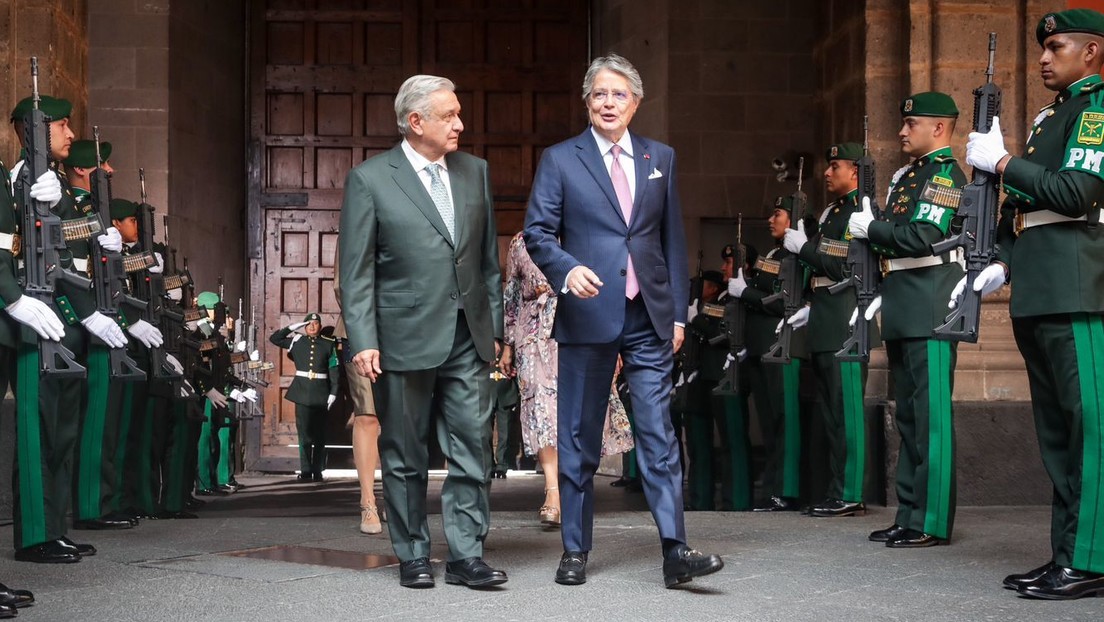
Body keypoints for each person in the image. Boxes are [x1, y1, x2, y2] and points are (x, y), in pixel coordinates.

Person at [524, 53, 723, 588]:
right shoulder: (561, 159)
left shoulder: (662, 157)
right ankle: (575, 549)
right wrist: (568, 273)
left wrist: (678, 312)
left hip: (650, 315)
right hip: (588, 312)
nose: (608, 103)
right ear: (586, 102)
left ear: (635, 103)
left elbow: (669, 240)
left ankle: (676, 550)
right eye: (599, 94)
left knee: (658, 433)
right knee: (580, 436)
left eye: (619, 95)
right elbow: (539, 233)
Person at [339, 74, 506, 589]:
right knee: (406, 452)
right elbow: (356, 271)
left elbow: (487, 262)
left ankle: (464, 555)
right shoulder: (370, 179)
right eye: (449, 115)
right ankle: (412, 553)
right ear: (416, 122)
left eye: (458, 113)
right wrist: (364, 339)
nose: (460, 123)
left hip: (469, 335)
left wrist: (495, 329)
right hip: (402, 336)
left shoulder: (475, 172)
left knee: (472, 446)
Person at [963, 8, 1104, 599]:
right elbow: (1023, 201)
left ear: (1092, 51)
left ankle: (1092, 558)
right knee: (1056, 433)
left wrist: (1000, 160)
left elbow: (1075, 192)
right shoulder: (1051, 116)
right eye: (1042, 47)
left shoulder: (1096, 108)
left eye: (1058, 46)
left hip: (1078, 283)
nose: (1044, 57)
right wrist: (1002, 257)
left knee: (1088, 427)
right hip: (1041, 284)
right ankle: (1066, 553)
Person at [8, 94, 124, 563]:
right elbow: (21, 250)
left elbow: (72, 254)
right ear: (30, 130)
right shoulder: (20, 180)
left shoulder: (56, 186)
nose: (71, 135)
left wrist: (99, 231)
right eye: (61, 126)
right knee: (38, 433)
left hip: (71, 322)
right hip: (40, 317)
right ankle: (35, 533)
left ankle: (53, 527)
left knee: (62, 434)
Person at [847, 91, 966, 548]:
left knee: (931, 417)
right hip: (904, 301)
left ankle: (931, 519)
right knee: (911, 418)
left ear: (938, 129)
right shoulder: (910, 177)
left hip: (931, 303)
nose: (901, 131)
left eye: (910, 124)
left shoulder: (943, 175)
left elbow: (923, 235)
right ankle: (910, 513)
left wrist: (871, 230)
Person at [500, 230, 634, 526]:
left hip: (580, 327)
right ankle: (552, 492)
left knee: (575, 410)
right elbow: (511, 294)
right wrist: (508, 344)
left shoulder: (583, 231)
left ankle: (572, 486)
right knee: (540, 410)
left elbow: (609, 286)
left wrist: (614, 341)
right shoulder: (521, 242)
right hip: (532, 333)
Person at [782, 143, 878, 518]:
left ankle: (851, 491)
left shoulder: (859, 210)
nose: (827, 172)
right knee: (831, 412)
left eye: (834, 165)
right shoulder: (832, 212)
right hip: (825, 315)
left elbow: (844, 269)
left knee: (847, 409)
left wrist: (805, 248)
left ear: (855, 171)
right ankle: (838, 488)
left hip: (845, 318)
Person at [729, 197, 807, 513]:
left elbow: (784, 301)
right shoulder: (774, 253)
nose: (770, 219)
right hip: (764, 349)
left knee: (785, 419)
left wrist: (745, 292)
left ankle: (786, 489)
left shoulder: (797, 252)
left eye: (777, 213)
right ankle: (774, 487)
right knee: (770, 422)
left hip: (784, 346)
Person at [333, 251, 384, 534]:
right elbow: (344, 282)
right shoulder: (358, 210)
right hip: (360, 328)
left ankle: (396, 499)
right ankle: (368, 502)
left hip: (405, 329)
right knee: (368, 415)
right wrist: (362, 324)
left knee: (399, 416)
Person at [270, 313, 338, 482]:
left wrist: (334, 392)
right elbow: (275, 339)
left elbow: (334, 370)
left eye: (315, 323)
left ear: (320, 326)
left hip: (321, 393)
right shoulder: (297, 341)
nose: (312, 326)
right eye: (309, 324)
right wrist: (294, 326)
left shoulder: (328, 345)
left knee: (320, 436)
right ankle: (306, 469)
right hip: (301, 392)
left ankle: (318, 470)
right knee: (305, 435)